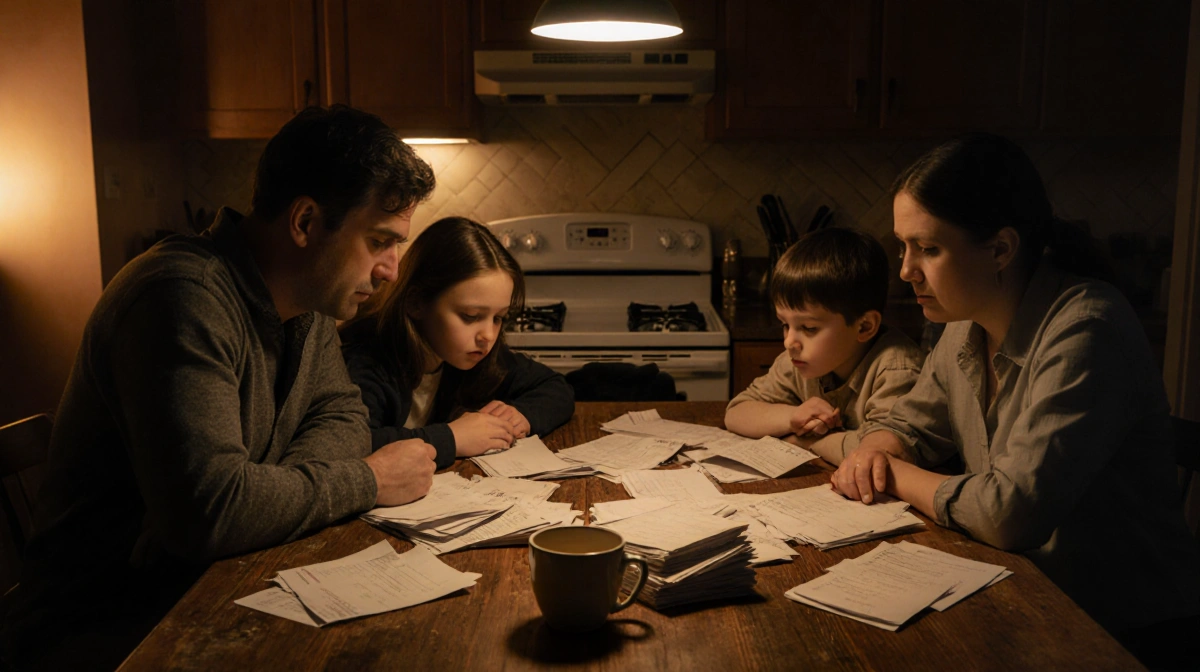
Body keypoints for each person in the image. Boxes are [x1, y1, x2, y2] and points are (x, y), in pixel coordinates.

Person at [0, 105, 440, 670]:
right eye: (380, 241)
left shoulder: (305, 301)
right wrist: (366, 480)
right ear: (305, 223)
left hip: (214, 582)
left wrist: (272, 493)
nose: (391, 271)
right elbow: (210, 514)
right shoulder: (180, 297)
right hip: (105, 629)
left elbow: (342, 415)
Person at [832, 133, 1200, 664]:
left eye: (928, 249)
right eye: (903, 246)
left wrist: (887, 471)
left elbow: (1011, 513)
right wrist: (878, 447)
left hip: (1126, 629)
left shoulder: (1086, 328)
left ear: (1001, 248)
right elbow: (913, 426)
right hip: (1027, 593)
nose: (907, 270)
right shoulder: (964, 323)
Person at [340, 216, 575, 469]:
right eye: (470, 316)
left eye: (498, 318)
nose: (488, 335)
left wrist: (523, 415)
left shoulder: (473, 355)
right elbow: (350, 444)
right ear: (416, 303)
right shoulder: (366, 359)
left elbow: (556, 387)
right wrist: (452, 437)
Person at [724, 227, 924, 466]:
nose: (789, 342)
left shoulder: (897, 371)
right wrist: (792, 418)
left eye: (809, 328)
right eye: (785, 324)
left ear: (864, 327)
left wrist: (806, 443)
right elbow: (736, 412)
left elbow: (883, 452)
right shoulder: (798, 361)